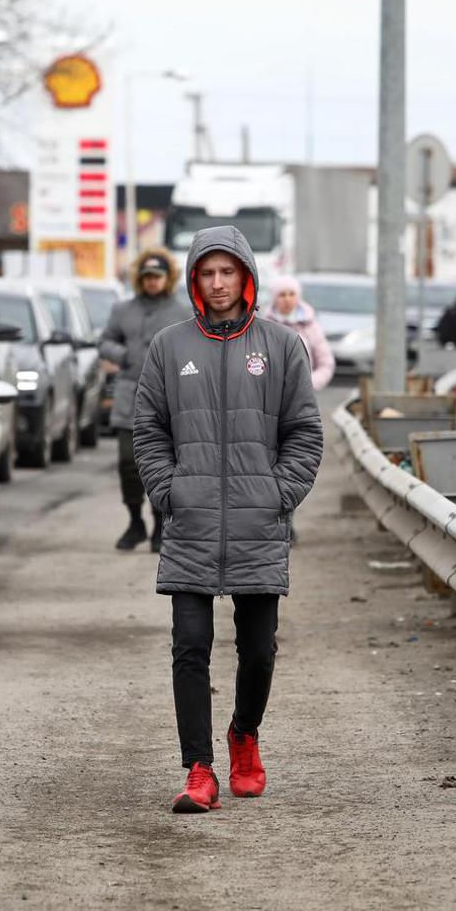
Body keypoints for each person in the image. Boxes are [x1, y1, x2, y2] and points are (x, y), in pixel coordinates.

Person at [132, 226, 324, 814]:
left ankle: (244, 736)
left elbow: (304, 434)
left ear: (246, 277)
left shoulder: (283, 346)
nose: (217, 284)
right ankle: (199, 769)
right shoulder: (169, 346)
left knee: (259, 649)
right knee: (190, 647)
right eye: (207, 273)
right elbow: (148, 430)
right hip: (189, 526)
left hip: (258, 525)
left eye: (227, 272)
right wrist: (169, 492)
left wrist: (278, 494)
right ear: (194, 278)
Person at [98, 248, 190, 552]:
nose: (152, 282)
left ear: (168, 278)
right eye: (147, 276)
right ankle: (135, 520)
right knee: (128, 462)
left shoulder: (182, 311)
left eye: (158, 276)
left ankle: (160, 525)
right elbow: (105, 341)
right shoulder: (122, 309)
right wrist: (123, 355)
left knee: (164, 463)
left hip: (169, 398)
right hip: (129, 397)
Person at [263, 275, 335, 390]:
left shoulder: (310, 325)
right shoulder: (265, 326)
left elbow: (325, 362)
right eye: (282, 295)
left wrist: (310, 384)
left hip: (304, 393)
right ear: (274, 298)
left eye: (292, 294)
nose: (287, 299)